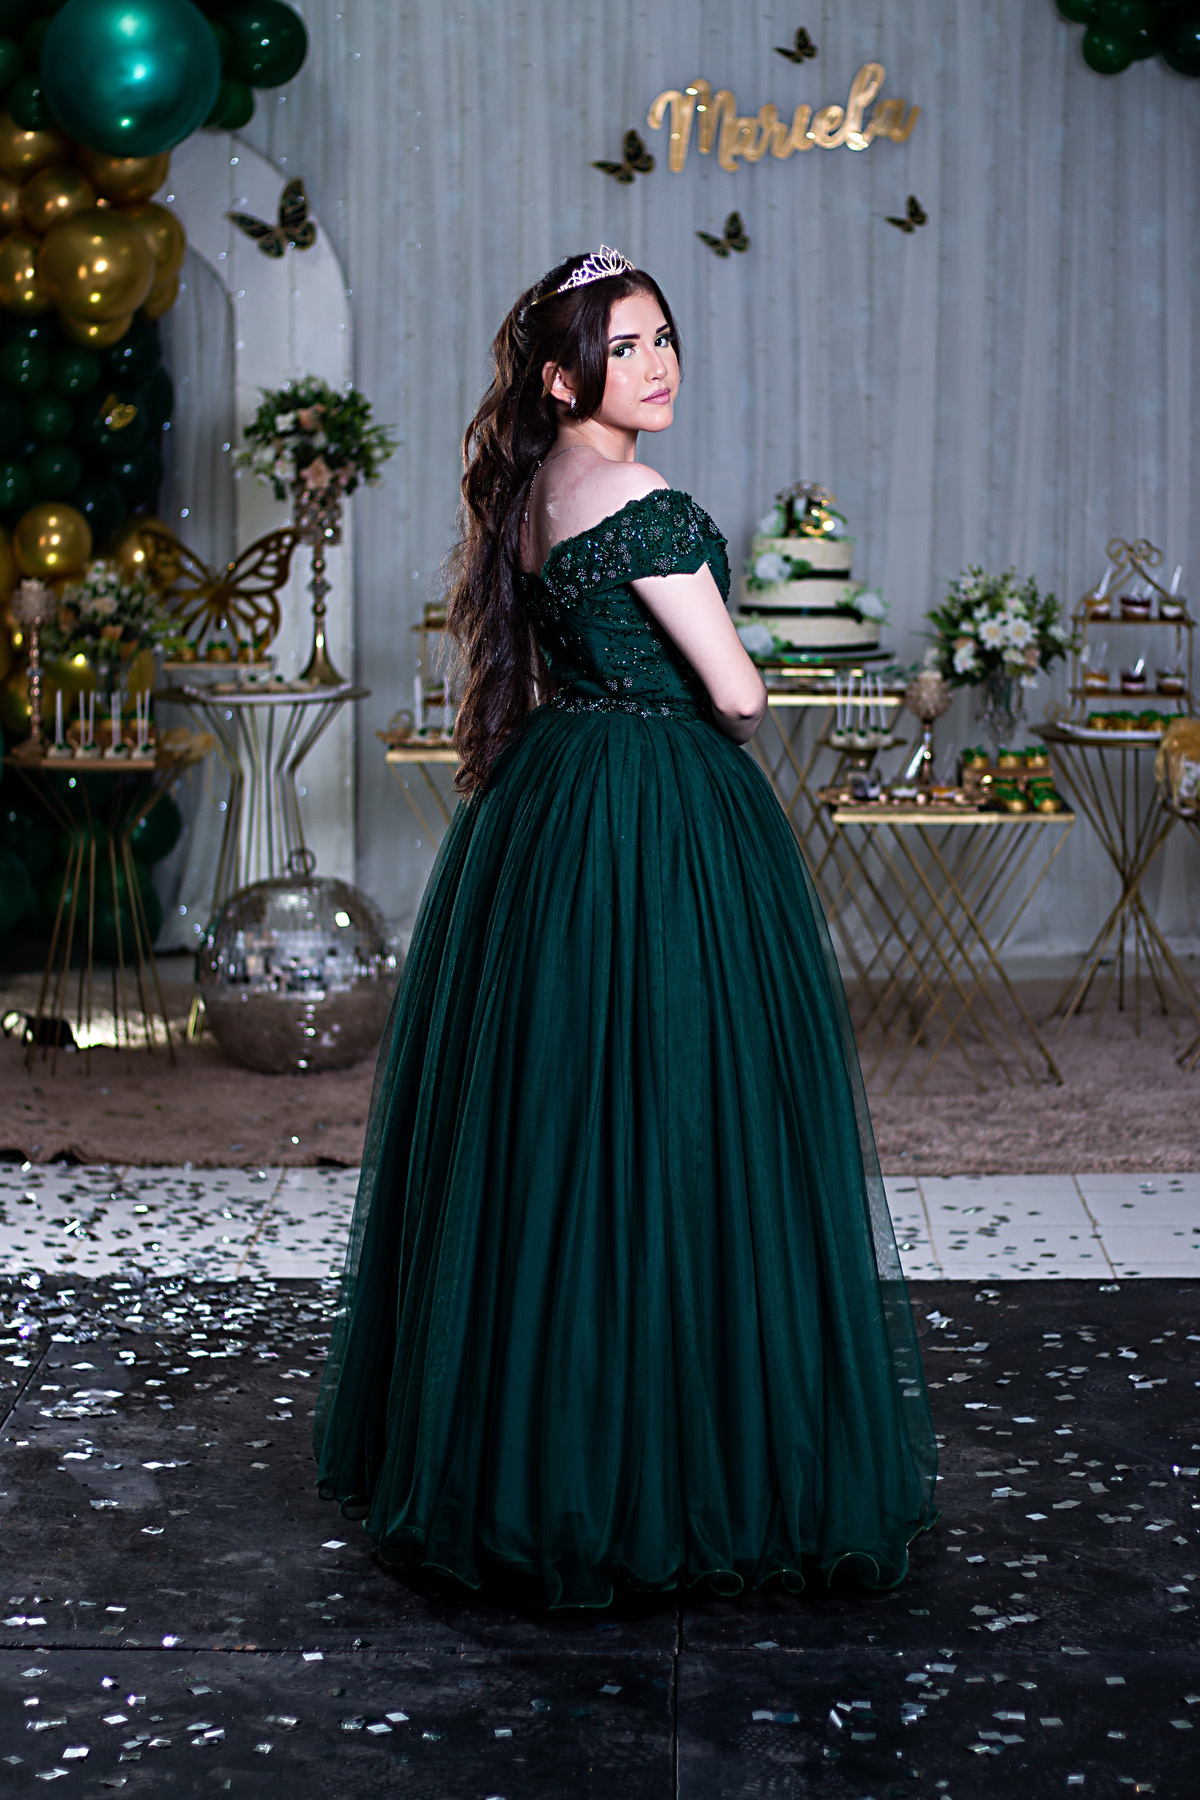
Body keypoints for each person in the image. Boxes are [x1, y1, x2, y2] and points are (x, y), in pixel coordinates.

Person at [314, 247, 937, 1609]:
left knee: (555, 1114)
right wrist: (724, 692)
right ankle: (682, 1461)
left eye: (665, 338)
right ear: (561, 376)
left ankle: (532, 1442)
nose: (658, 365)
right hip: (656, 811)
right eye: (628, 345)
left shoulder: (533, 494)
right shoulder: (646, 504)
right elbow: (741, 695)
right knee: (682, 1105)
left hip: (553, 804)